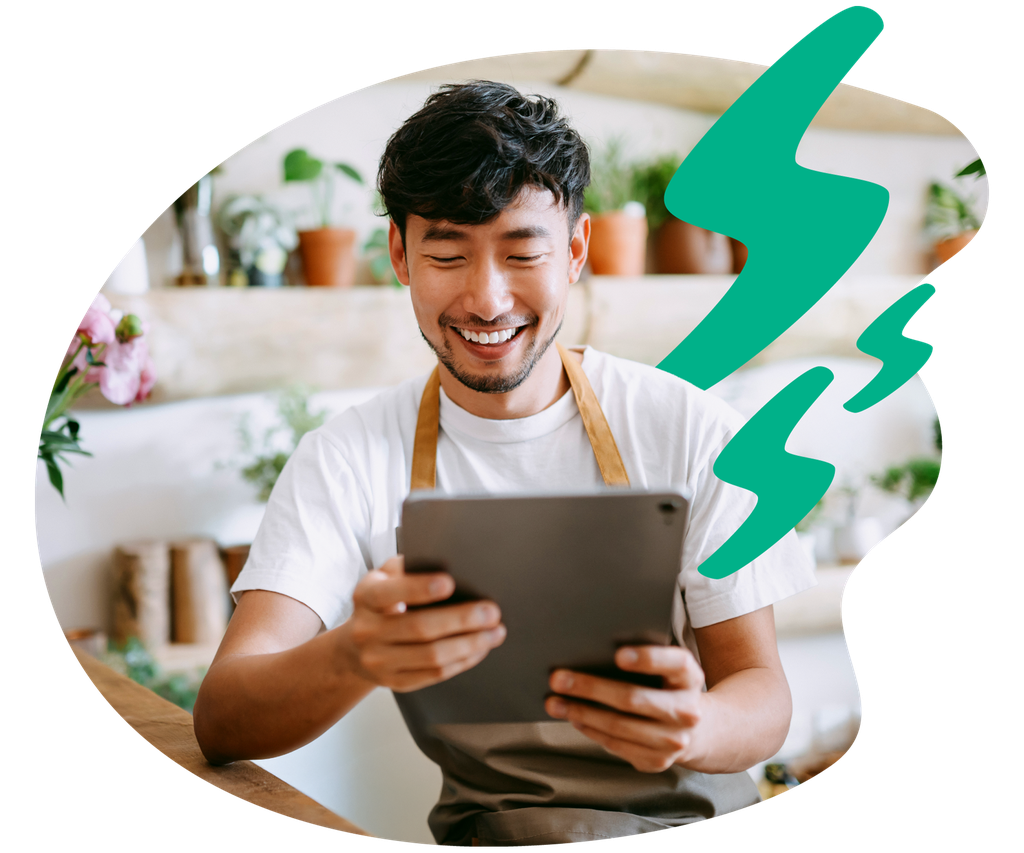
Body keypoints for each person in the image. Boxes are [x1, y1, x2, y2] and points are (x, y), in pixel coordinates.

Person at [193, 80, 816, 845]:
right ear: (399, 255)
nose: (486, 300)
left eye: (523, 253)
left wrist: (695, 724)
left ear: (577, 250)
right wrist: (355, 653)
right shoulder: (346, 458)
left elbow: (762, 693)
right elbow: (222, 716)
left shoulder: (691, 428)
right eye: (447, 254)